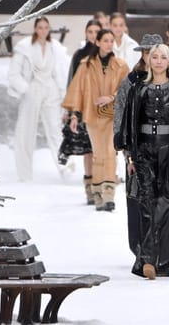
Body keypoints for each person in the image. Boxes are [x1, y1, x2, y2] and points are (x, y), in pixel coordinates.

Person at [117, 44, 169, 279]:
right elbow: (129, 121)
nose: (159, 61)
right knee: (147, 202)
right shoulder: (138, 89)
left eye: (163, 57)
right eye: (155, 57)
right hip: (143, 150)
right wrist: (129, 154)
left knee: (168, 203)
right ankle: (148, 259)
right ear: (149, 60)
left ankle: (162, 261)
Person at [62, 28, 129, 211]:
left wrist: (112, 97)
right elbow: (78, 90)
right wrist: (75, 114)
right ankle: (98, 193)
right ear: (97, 42)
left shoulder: (121, 65)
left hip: (113, 115)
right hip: (92, 115)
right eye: (105, 40)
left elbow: (127, 89)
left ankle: (108, 194)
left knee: (109, 152)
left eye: (111, 40)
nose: (109, 43)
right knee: (98, 153)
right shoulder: (86, 65)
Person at [113, 34, 162, 255]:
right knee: (137, 195)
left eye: (155, 52)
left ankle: (159, 246)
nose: (150, 56)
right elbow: (120, 111)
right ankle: (139, 246)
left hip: (163, 145)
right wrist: (123, 144)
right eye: (146, 51)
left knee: (162, 197)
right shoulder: (132, 81)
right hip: (137, 145)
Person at [8, 16, 70, 181]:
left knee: (56, 131)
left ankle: (65, 169)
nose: (43, 30)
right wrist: (25, 89)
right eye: (40, 27)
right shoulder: (25, 47)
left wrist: (63, 94)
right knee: (26, 131)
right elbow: (13, 74)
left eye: (46, 27)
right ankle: (24, 174)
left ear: (49, 29)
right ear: (35, 29)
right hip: (33, 89)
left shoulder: (54, 47)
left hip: (51, 90)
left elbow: (61, 73)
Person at [59, 19, 102, 200]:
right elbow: (73, 83)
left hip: (101, 107)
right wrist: (70, 110)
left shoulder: (106, 54)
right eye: (90, 31)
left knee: (100, 150)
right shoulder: (79, 55)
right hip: (83, 107)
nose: (93, 35)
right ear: (86, 33)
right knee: (88, 149)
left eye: (96, 31)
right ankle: (89, 187)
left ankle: (100, 185)